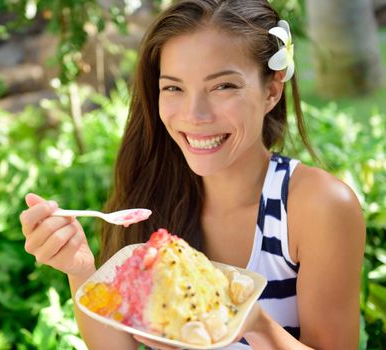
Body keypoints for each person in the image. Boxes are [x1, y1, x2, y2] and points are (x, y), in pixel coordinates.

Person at [19, 0, 366, 348]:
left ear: (271, 91)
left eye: (223, 86)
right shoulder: (156, 190)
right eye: (173, 87)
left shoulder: (318, 207)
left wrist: (255, 325)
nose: (194, 115)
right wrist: (79, 269)